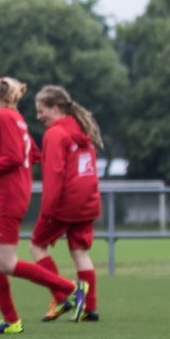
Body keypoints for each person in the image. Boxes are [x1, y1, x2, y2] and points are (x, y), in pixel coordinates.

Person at [0, 74, 85, 335]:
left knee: (6, 263)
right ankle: (11, 320)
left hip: (9, 197)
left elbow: (15, 157)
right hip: (6, 194)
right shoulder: (14, 116)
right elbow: (33, 154)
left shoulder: (5, 117)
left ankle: (70, 289)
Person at [29, 84, 103, 321]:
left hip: (64, 205)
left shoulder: (55, 134)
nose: (39, 116)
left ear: (56, 107)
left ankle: (64, 297)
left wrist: (48, 210)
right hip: (88, 202)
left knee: (36, 246)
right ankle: (89, 308)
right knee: (80, 252)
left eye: (42, 111)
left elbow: (55, 175)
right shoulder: (83, 129)